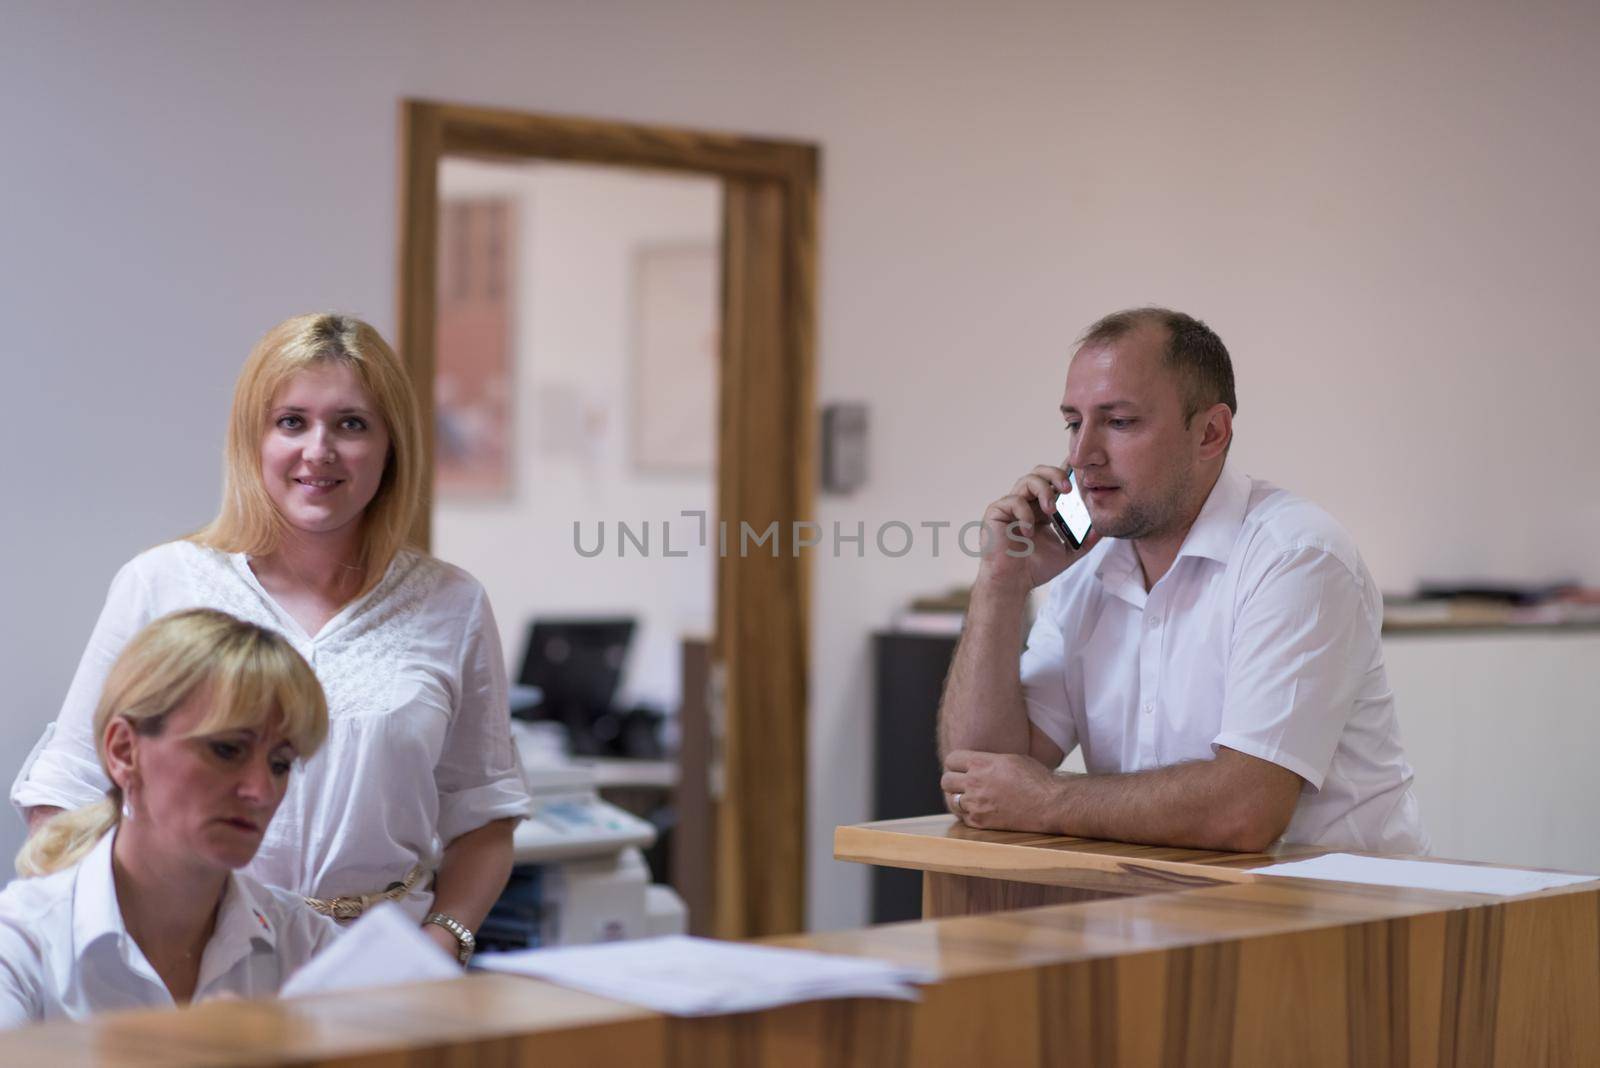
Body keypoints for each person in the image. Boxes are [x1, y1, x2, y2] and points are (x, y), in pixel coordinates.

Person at [12, 313, 530, 963]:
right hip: (191, 961)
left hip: (384, 965)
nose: (320, 451)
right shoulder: (164, 583)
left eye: (351, 424)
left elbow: (482, 816)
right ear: (252, 439)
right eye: (292, 422)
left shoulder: (452, 604)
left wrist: (440, 945)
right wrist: (127, 955)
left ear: (392, 444)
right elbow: (66, 793)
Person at [937, 307, 1427, 855]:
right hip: (1171, 903)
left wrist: (1046, 800)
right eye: (1074, 423)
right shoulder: (1089, 569)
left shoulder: (1297, 556)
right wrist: (1001, 583)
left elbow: (1245, 810)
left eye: (1119, 423)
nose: (1082, 455)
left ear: (1210, 433)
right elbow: (977, 779)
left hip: (1342, 918)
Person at [0, 609, 340, 1026]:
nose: (261, 792)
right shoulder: (20, 943)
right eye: (227, 750)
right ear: (124, 751)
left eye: (281, 764)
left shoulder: (308, 945)